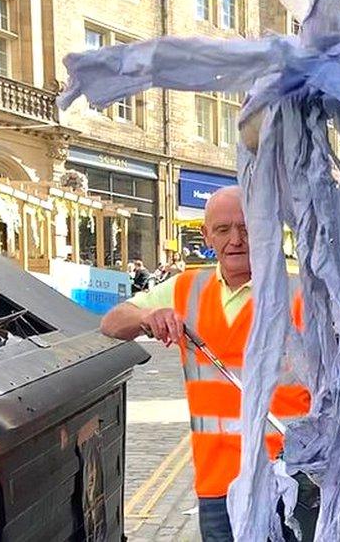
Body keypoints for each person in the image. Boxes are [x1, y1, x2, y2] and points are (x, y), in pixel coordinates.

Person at [100, 187, 313, 541]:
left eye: (246, 228)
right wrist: (149, 314)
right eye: (224, 229)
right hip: (216, 482)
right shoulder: (186, 287)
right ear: (207, 235)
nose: (236, 240)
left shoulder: (299, 292)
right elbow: (111, 323)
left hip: (288, 476)